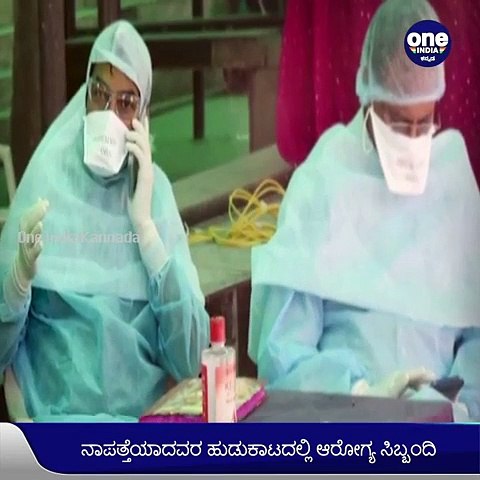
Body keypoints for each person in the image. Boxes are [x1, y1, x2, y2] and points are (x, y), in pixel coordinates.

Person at [248, 0, 480, 421]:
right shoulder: (325, 180)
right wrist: (359, 394)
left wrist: (460, 410)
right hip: (342, 423)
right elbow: (282, 351)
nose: (412, 139)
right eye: (398, 123)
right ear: (369, 97)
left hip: (445, 426)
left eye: (423, 123)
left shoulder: (452, 182)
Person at [0, 21, 209, 422]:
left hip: (140, 432)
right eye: (99, 93)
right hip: (59, 427)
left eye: (126, 103)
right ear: (85, 96)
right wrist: (17, 281)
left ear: (142, 117)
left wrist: (146, 230)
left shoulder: (152, 194)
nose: (109, 113)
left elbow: (191, 360)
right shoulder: (47, 181)